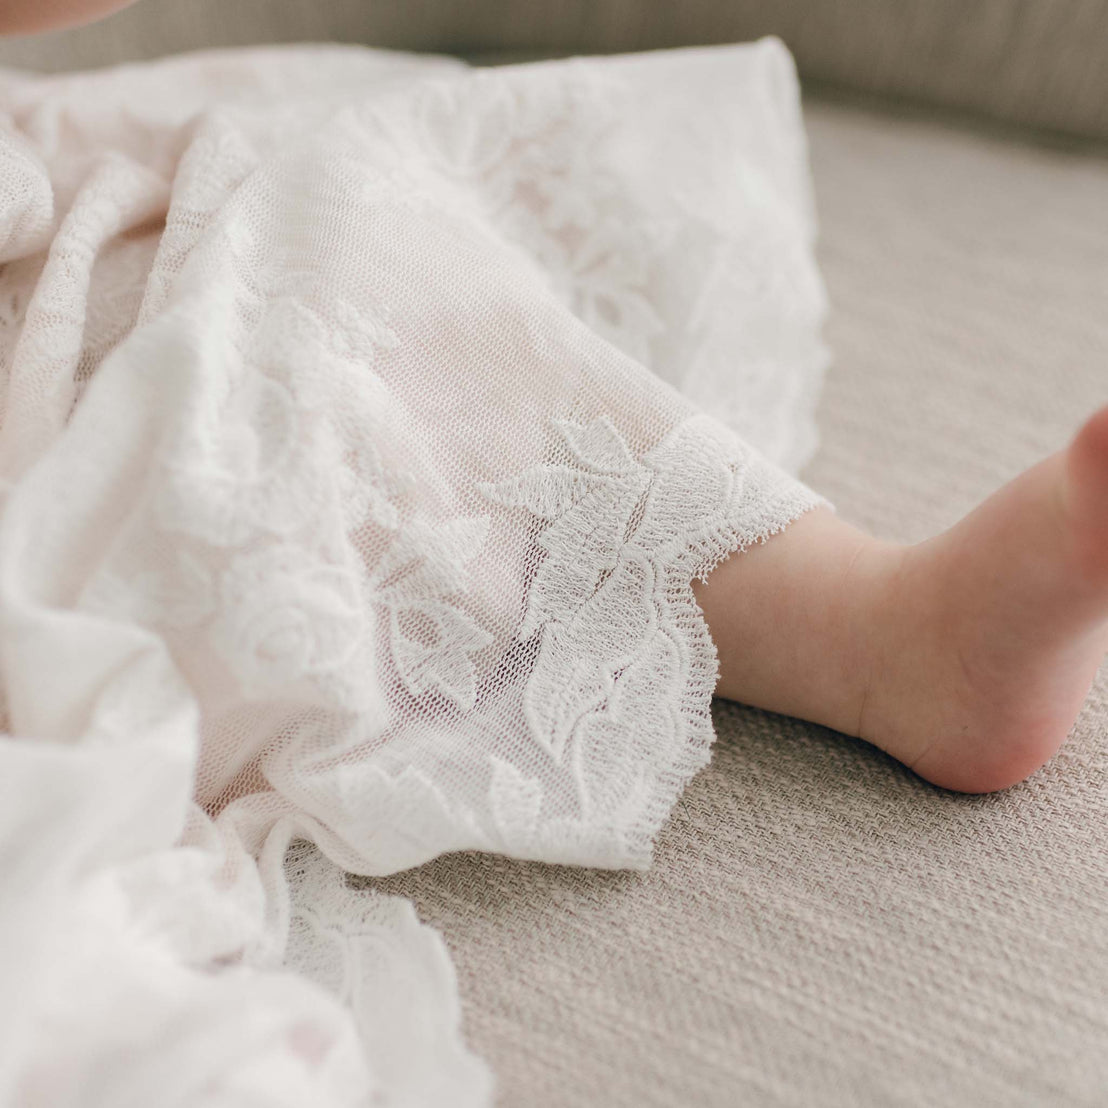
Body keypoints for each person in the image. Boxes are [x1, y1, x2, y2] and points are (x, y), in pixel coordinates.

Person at [0, 0, 1105, 1101]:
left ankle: (863, 620)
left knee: (332, 243)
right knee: (208, 422)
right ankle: (874, 649)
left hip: (66, 229)